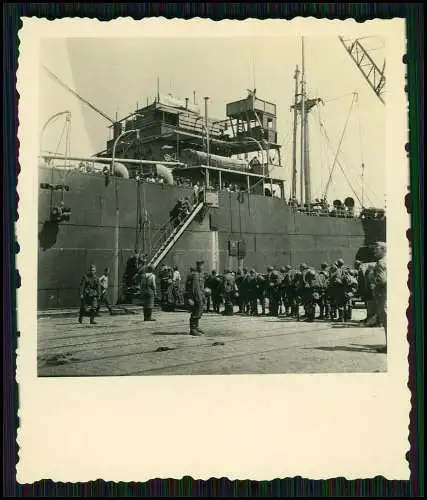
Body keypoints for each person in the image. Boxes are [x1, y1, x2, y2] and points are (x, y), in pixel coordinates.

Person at [372, 242, 387, 352]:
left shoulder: (380, 263)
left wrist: (373, 282)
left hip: (383, 294)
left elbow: (382, 280)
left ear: (383, 250)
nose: (374, 252)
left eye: (376, 250)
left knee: (386, 319)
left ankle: (389, 346)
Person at [187, 260, 206, 335]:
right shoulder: (195, 275)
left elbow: (201, 287)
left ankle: (196, 327)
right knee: (195, 312)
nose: (201, 267)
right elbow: (194, 288)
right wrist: (193, 298)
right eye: (200, 266)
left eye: (202, 266)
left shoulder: (200, 274)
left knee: (199, 312)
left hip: (200, 296)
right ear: (197, 266)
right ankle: (193, 329)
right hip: (196, 297)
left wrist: (203, 296)